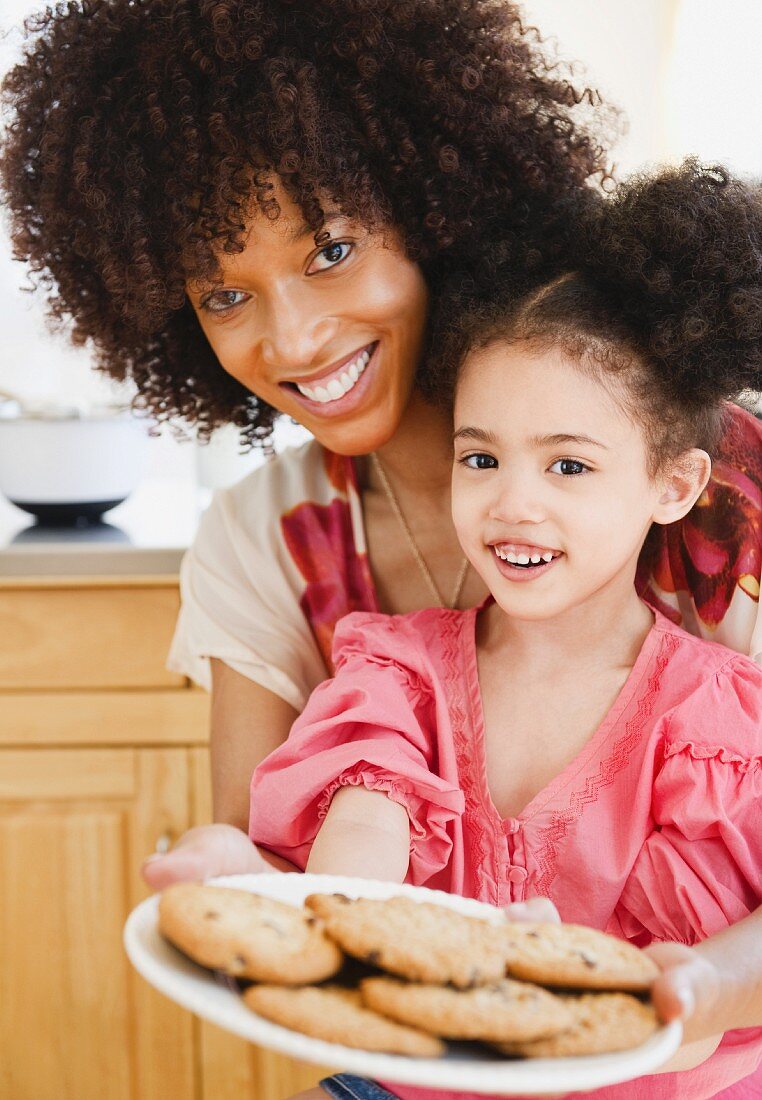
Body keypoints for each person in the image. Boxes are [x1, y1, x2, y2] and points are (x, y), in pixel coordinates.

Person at [1, 0, 760, 1085]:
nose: (294, 338)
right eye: (226, 293)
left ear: (434, 205)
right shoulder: (281, 557)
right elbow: (286, 885)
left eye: (334, 249)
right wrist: (227, 870)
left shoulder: (717, 487)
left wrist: (698, 991)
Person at [248, 161, 762, 1099]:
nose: (512, 503)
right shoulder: (396, 676)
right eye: (481, 457)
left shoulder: (716, 723)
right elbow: (361, 831)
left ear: (674, 486)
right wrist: (303, 904)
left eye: (568, 466)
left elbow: (724, 977)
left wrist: (684, 986)